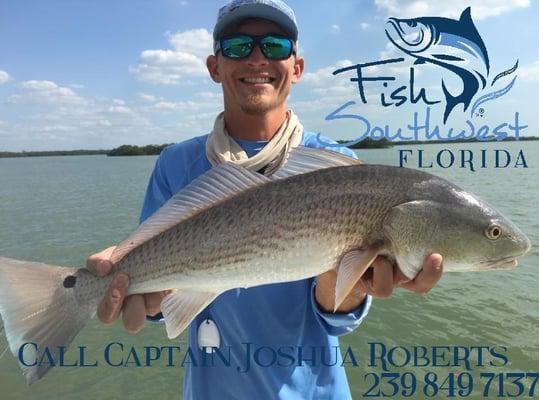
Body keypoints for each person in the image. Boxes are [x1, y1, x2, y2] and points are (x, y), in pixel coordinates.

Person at [87, 1, 443, 398]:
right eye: (238, 46)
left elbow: (333, 320)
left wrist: (352, 284)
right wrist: (134, 290)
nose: (257, 57)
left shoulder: (341, 168)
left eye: (274, 45)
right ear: (214, 66)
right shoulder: (176, 163)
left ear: (297, 67)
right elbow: (160, 299)